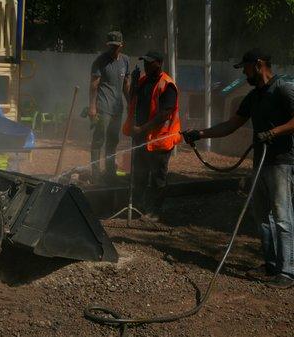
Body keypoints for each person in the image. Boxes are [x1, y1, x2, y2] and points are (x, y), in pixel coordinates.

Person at [183, 48, 294, 289]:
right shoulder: (253, 97)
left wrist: (273, 132)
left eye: (245, 67)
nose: (243, 72)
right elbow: (230, 125)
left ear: (258, 64)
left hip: (281, 162)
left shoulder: (282, 89)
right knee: (263, 216)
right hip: (260, 162)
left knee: (283, 217)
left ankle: (287, 272)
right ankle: (271, 264)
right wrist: (199, 134)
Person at [122, 51, 181, 222]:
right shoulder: (142, 81)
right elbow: (131, 100)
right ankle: (139, 207)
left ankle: (154, 212)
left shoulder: (167, 85)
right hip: (141, 138)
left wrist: (143, 128)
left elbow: (165, 114)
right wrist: (132, 83)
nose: (146, 66)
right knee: (139, 174)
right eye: (144, 62)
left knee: (157, 178)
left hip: (160, 140)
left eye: (149, 63)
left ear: (159, 63)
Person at [89, 31, 131, 181]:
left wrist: (130, 102)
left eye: (116, 46)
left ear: (121, 46)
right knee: (98, 140)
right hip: (102, 107)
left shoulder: (125, 61)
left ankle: (109, 172)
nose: (113, 49)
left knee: (113, 140)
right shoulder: (100, 61)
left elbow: (126, 85)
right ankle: (95, 174)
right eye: (110, 46)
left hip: (117, 109)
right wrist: (92, 107)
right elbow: (94, 85)